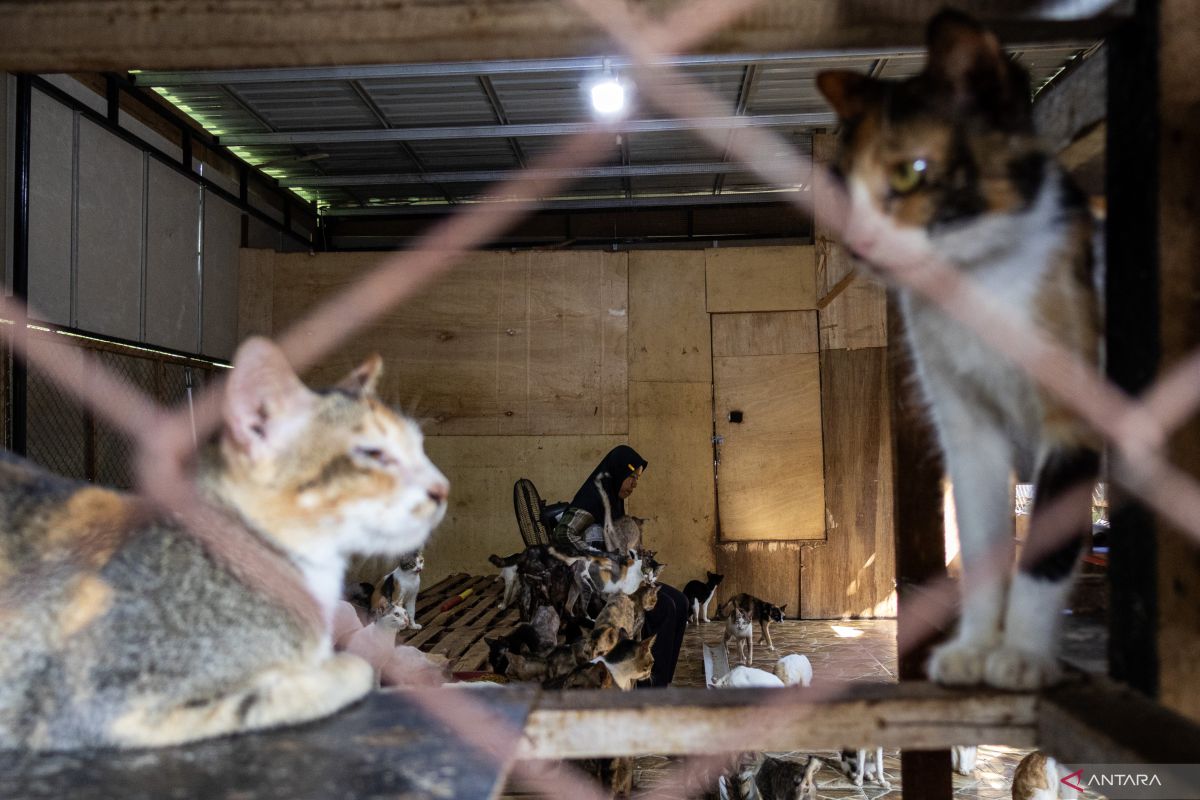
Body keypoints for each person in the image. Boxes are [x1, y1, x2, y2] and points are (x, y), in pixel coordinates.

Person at [552, 445, 689, 687]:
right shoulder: (593, 499)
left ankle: (661, 683)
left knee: (681, 602)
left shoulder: (613, 500)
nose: (634, 484)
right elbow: (563, 532)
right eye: (631, 477)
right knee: (665, 608)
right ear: (617, 472)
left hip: (620, 578)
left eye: (637, 479)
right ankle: (650, 690)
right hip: (599, 585)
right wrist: (598, 555)